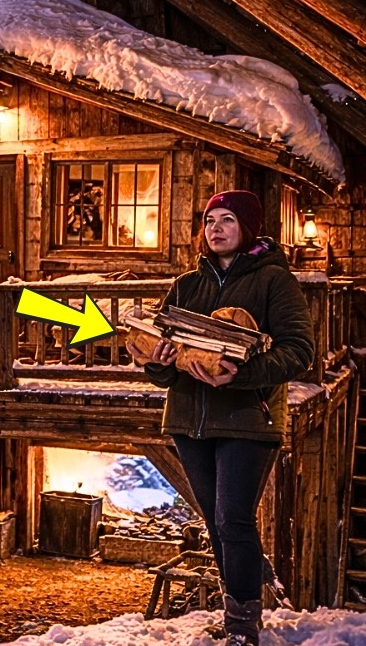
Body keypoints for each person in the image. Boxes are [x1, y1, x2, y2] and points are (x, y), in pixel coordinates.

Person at [127, 190, 314, 646]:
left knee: (233, 519)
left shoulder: (273, 281)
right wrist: (160, 358)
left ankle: (242, 628)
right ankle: (249, 582)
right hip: (189, 419)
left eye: (227, 220)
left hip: (249, 418)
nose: (215, 229)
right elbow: (161, 369)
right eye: (210, 221)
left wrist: (240, 375)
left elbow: (299, 352)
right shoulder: (187, 286)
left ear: (247, 228)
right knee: (216, 521)